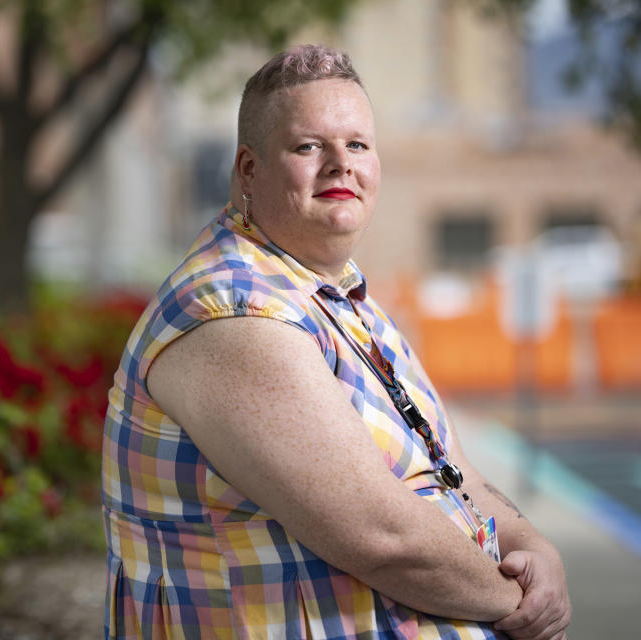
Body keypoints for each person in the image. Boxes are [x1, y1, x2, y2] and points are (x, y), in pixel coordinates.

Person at [101, 44, 570, 639]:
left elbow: (453, 472)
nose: (339, 164)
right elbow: (382, 538)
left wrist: (536, 547)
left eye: (357, 145)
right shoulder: (233, 312)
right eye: (308, 146)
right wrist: (519, 605)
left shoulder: (337, 295)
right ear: (249, 170)